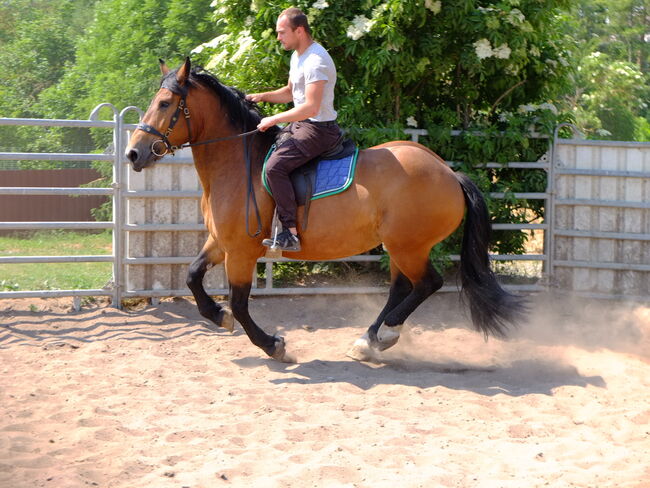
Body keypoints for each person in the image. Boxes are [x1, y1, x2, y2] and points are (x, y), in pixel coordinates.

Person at [247, 7, 340, 252]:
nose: (278, 38)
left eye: (282, 32)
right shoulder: (299, 55)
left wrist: (272, 119)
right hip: (302, 124)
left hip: (319, 130)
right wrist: (262, 96)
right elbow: (290, 93)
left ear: (299, 31)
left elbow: (310, 107)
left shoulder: (316, 61)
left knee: (274, 167)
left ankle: (290, 233)